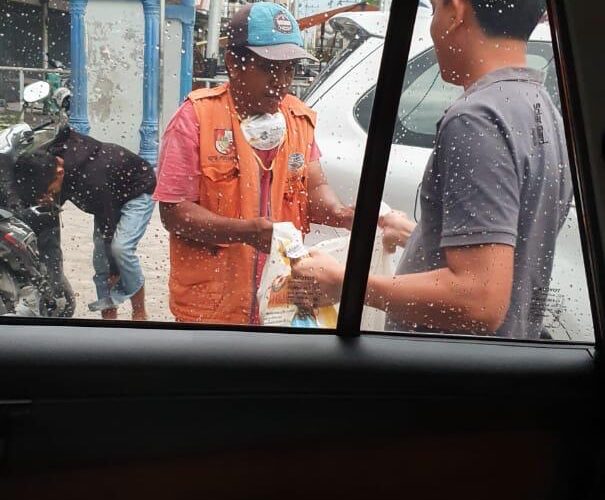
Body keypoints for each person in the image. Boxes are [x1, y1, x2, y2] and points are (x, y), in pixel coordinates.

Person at [292, 0, 573, 339]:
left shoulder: (476, 119)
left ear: (455, 12)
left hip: (447, 363)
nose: (434, 25)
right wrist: (418, 237)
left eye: (437, 8)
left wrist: (344, 282)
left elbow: (480, 300)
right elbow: (506, 251)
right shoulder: (544, 110)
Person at [154, 2, 357, 324]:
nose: (282, 82)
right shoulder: (196, 118)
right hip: (211, 314)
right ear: (233, 63)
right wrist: (246, 232)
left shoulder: (298, 120)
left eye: (289, 69)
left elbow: (314, 188)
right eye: (269, 67)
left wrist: (341, 213)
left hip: (278, 308)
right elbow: (174, 212)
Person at [15, 128, 156, 321]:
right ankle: (108, 319)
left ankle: (139, 313)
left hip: (136, 191)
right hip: (107, 196)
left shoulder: (91, 179)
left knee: (120, 250)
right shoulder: (47, 161)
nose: (47, 196)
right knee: (101, 262)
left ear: (59, 173)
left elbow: (108, 223)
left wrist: (115, 269)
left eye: (48, 191)